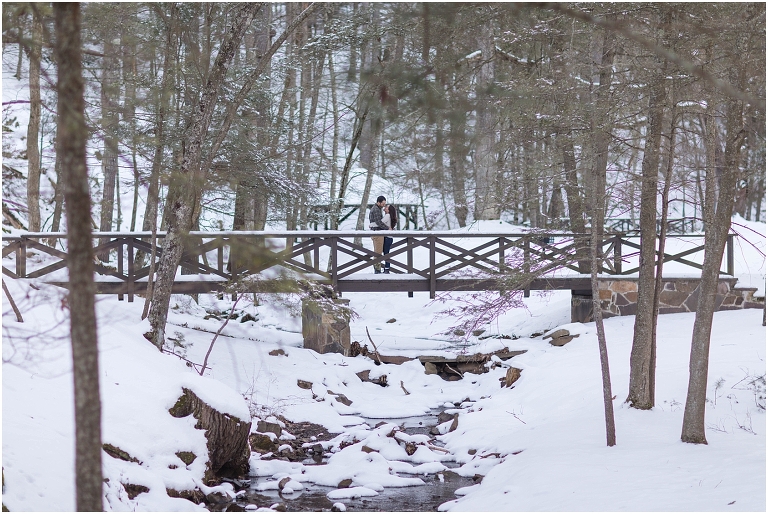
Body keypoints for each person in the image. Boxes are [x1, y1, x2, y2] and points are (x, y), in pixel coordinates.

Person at [368, 196, 388, 273]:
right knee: (378, 252)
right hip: (377, 233)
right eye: (383, 203)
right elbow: (378, 222)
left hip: (376, 232)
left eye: (384, 203)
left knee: (377, 251)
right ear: (378, 202)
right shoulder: (376, 209)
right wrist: (387, 228)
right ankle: (377, 269)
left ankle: (377, 268)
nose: (384, 205)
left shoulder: (376, 208)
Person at [382, 204, 398, 273]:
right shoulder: (391, 217)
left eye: (386, 207)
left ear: (389, 210)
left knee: (386, 254)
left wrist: (371, 225)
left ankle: (387, 269)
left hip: (386, 237)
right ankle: (387, 268)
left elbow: (380, 223)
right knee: (387, 253)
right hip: (390, 238)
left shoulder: (387, 215)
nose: (385, 208)